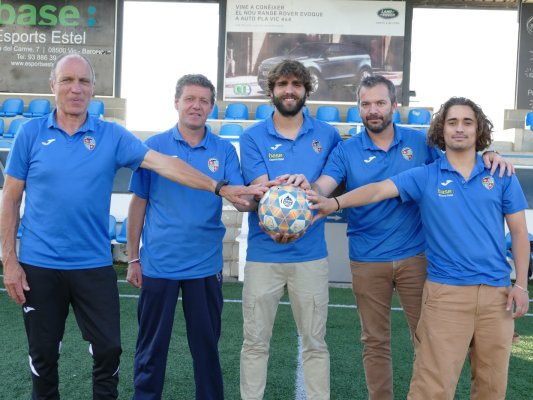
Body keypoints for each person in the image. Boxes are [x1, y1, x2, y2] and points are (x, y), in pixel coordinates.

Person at [0, 54, 262, 400]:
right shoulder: (29, 134)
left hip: (93, 265)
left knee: (108, 351)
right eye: (67, 80)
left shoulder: (112, 136)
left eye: (84, 82)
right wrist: (10, 260)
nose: (75, 89)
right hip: (40, 264)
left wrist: (220, 187)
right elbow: (11, 198)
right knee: (44, 355)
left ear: (94, 89)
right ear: (53, 85)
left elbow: (167, 166)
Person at [281, 75, 513, 399]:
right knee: (374, 341)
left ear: (395, 105)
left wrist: (490, 155)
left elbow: (463, 159)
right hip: (366, 259)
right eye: (366, 104)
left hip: (416, 257)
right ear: (358, 108)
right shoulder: (346, 150)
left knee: (428, 339)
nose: (373, 110)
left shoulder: (421, 144)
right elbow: (324, 186)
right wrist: (305, 188)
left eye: (379, 103)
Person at [126, 74, 260, 399]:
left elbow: (240, 200)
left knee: (206, 350)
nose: (196, 106)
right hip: (159, 265)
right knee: (150, 351)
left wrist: (259, 198)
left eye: (203, 101)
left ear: (212, 106)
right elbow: (138, 204)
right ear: (176, 102)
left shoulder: (225, 150)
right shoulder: (154, 148)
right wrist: (133, 258)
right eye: (190, 99)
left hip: (205, 266)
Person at [238, 59, 342, 400]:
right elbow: (258, 190)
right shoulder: (252, 136)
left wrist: (307, 185)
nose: (289, 90)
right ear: (272, 90)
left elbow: (331, 187)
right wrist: (279, 199)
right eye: (282, 84)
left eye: (296, 84)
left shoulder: (327, 135)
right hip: (263, 254)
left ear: (306, 90)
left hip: (310, 256)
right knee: (254, 342)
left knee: (315, 342)